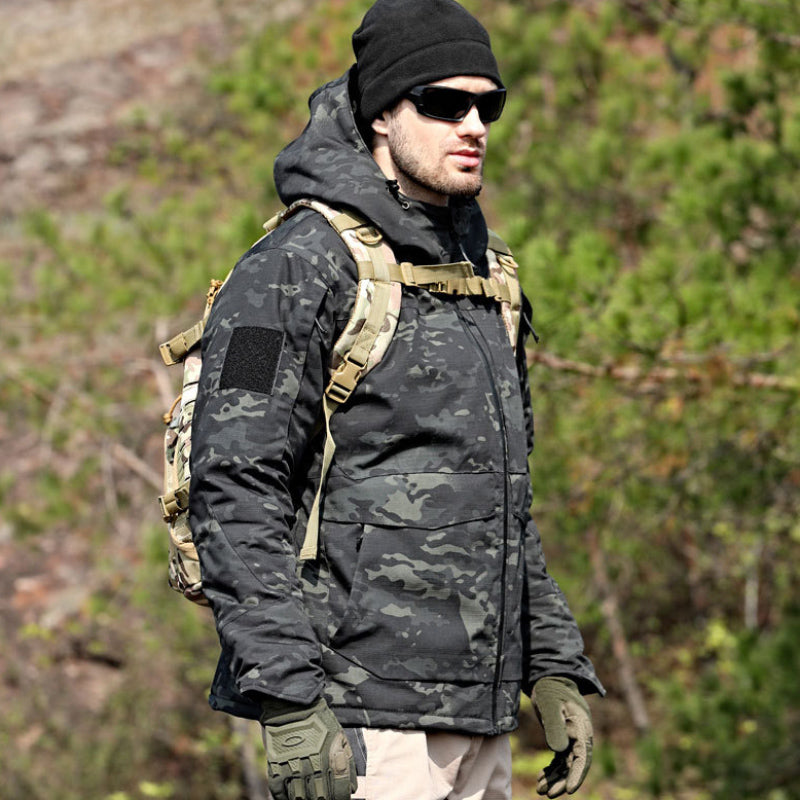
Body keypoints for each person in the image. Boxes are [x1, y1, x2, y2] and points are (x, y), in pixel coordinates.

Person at [188, 1, 604, 798]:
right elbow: (232, 483)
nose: (473, 125)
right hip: (361, 723)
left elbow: (503, 503)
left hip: (481, 721)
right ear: (382, 113)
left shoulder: (486, 278)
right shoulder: (291, 268)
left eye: (488, 106)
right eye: (444, 103)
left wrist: (552, 662)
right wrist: (287, 697)